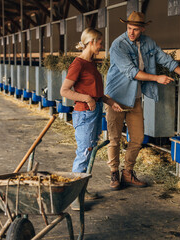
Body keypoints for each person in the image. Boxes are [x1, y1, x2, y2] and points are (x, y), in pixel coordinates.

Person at [105, 11, 180, 190]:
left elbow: (164, 58)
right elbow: (132, 72)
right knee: (114, 138)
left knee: (137, 138)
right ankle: (114, 172)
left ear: (142, 29)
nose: (131, 32)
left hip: (135, 98)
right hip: (116, 98)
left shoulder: (148, 42)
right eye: (129, 28)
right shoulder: (118, 46)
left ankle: (127, 172)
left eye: (135, 29)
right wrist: (156, 78)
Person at [60, 27, 123, 209]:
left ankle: (81, 190)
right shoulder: (78, 64)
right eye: (100, 43)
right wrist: (86, 98)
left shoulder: (91, 64)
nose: (102, 46)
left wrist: (110, 102)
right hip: (84, 113)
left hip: (94, 112)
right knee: (84, 153)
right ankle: (73, 199)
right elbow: (64, 91)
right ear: (91, 42)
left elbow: (96, 93)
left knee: (90, 152)